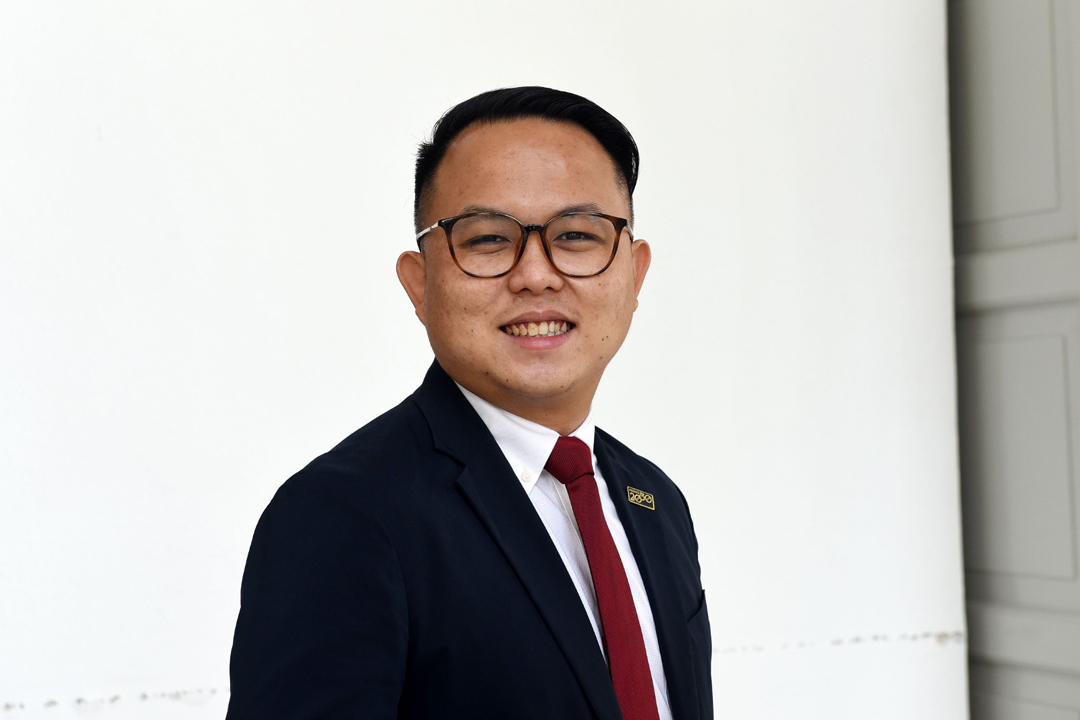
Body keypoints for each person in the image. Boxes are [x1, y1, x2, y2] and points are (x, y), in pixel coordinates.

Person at [226, 86, 712, 720]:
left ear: (635, 274)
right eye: (487, 240)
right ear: (419, 283)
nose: (536, 275)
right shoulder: (341, 516)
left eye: (576, 234)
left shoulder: (655, 502)